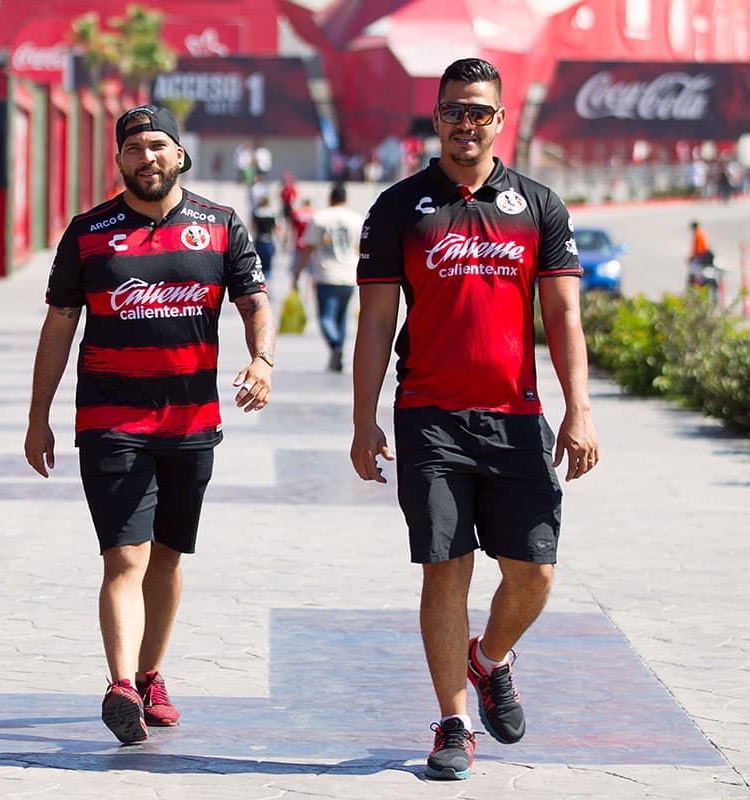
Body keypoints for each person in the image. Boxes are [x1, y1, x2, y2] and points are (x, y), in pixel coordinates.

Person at [350, 59, 599, 781]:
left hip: (516, 416)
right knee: (444, 569)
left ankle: (489, 660)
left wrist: (579, 409)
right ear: (436, 117)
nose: (467, 123)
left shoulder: (539, 205)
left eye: (480, 112)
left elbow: (564, 315)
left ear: (500, 120)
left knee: (536, 572)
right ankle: (454, 722)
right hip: (428, 416)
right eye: (455, 110)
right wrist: (364, 421)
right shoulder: (399, 207)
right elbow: (373, 325)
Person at [24, 103, 276, 745]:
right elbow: (58, 327)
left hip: (192, 422)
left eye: (158, 146)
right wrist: (38, 417)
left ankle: (150, 672)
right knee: (124, 556)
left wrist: (262, 360)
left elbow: (254, 302)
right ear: (119, 160)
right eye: (134, 149)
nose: (147, 158)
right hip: (111, 421)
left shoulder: (220, 228)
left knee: (167, 554)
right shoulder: (87, 232)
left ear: (181, 155)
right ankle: (121, 686)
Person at [294, 183, 362, 372]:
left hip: (326, 273)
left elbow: (307, 247)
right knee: (341, 317)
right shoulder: (356, 219)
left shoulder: (320, 218)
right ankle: (338, 351)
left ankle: (335, 347)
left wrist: (297, 272)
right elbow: (361, 248)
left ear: (330, 198)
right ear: (345, 198)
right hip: (349, 274)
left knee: (325, 317)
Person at [251, 194, 280, 284]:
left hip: (259, 240)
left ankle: (260, 282)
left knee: (258, 264)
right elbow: (276, 228)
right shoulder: (272, 213)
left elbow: (253, 227)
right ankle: (268, 283)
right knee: (268, 265)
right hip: (269, 240)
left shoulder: (257, 212)